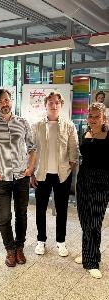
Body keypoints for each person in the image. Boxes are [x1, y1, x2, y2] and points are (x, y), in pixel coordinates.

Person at [0, 88, 36, 267]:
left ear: (11, 100)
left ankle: (20, 247)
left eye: (7, 100)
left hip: (21, 176)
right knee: (5, 216)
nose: (5, 103)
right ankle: (9, 250)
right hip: (2, 178)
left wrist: (30, 168)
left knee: (21, 214)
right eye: (1, 101)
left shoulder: (23, 122)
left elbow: (32, 147)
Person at [31, 92, 78, 257]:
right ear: (45, 104)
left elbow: (74, 150)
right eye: (50, 102)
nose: (54, 105)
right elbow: (31, 149)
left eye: (57, 102)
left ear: (61, 105)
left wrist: (69, 167)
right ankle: (41, 240)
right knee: (40, 209)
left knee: (62, 209)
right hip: (42, 174)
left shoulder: (69, 125)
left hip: (62, 175)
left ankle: (61, 242)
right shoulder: (37, 125)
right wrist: (31, 173)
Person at [75, 103, 109, 279]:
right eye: (90, 116)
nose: (93, 119)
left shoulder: (108, 134)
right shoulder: (85, 133)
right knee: (84, 219)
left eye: (97, 116)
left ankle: (92, 261)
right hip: (83, 180)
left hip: (102, 182)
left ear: (104, 117)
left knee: (94, 221)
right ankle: (89, 252)